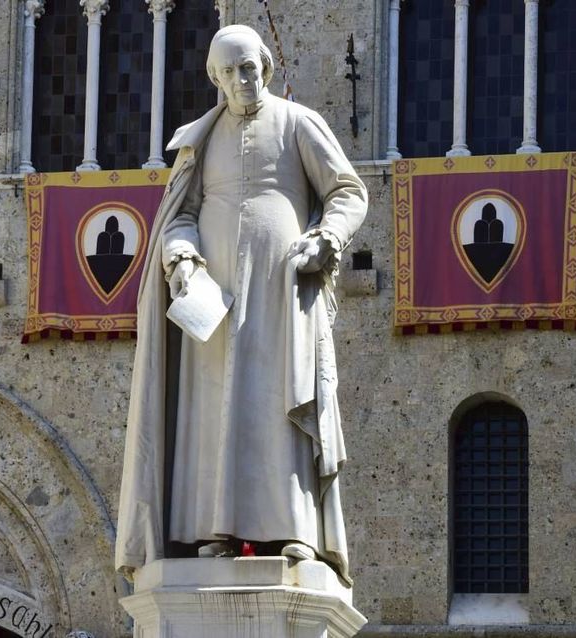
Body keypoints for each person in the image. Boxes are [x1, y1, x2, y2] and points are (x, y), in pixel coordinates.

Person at [115, 24, 367, 584]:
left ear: (266, 66)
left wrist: (326, 240)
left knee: (282, 401)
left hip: (283, 289)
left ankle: (297, 531)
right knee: (213, 410)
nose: (240, 80)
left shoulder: (299, 123)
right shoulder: (201, 141)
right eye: (228, 72)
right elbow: (181, 214)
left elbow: (348, 191)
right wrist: (181, 259)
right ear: (215, 78)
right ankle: (216, 530)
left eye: (248, 67)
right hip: (215, 300)